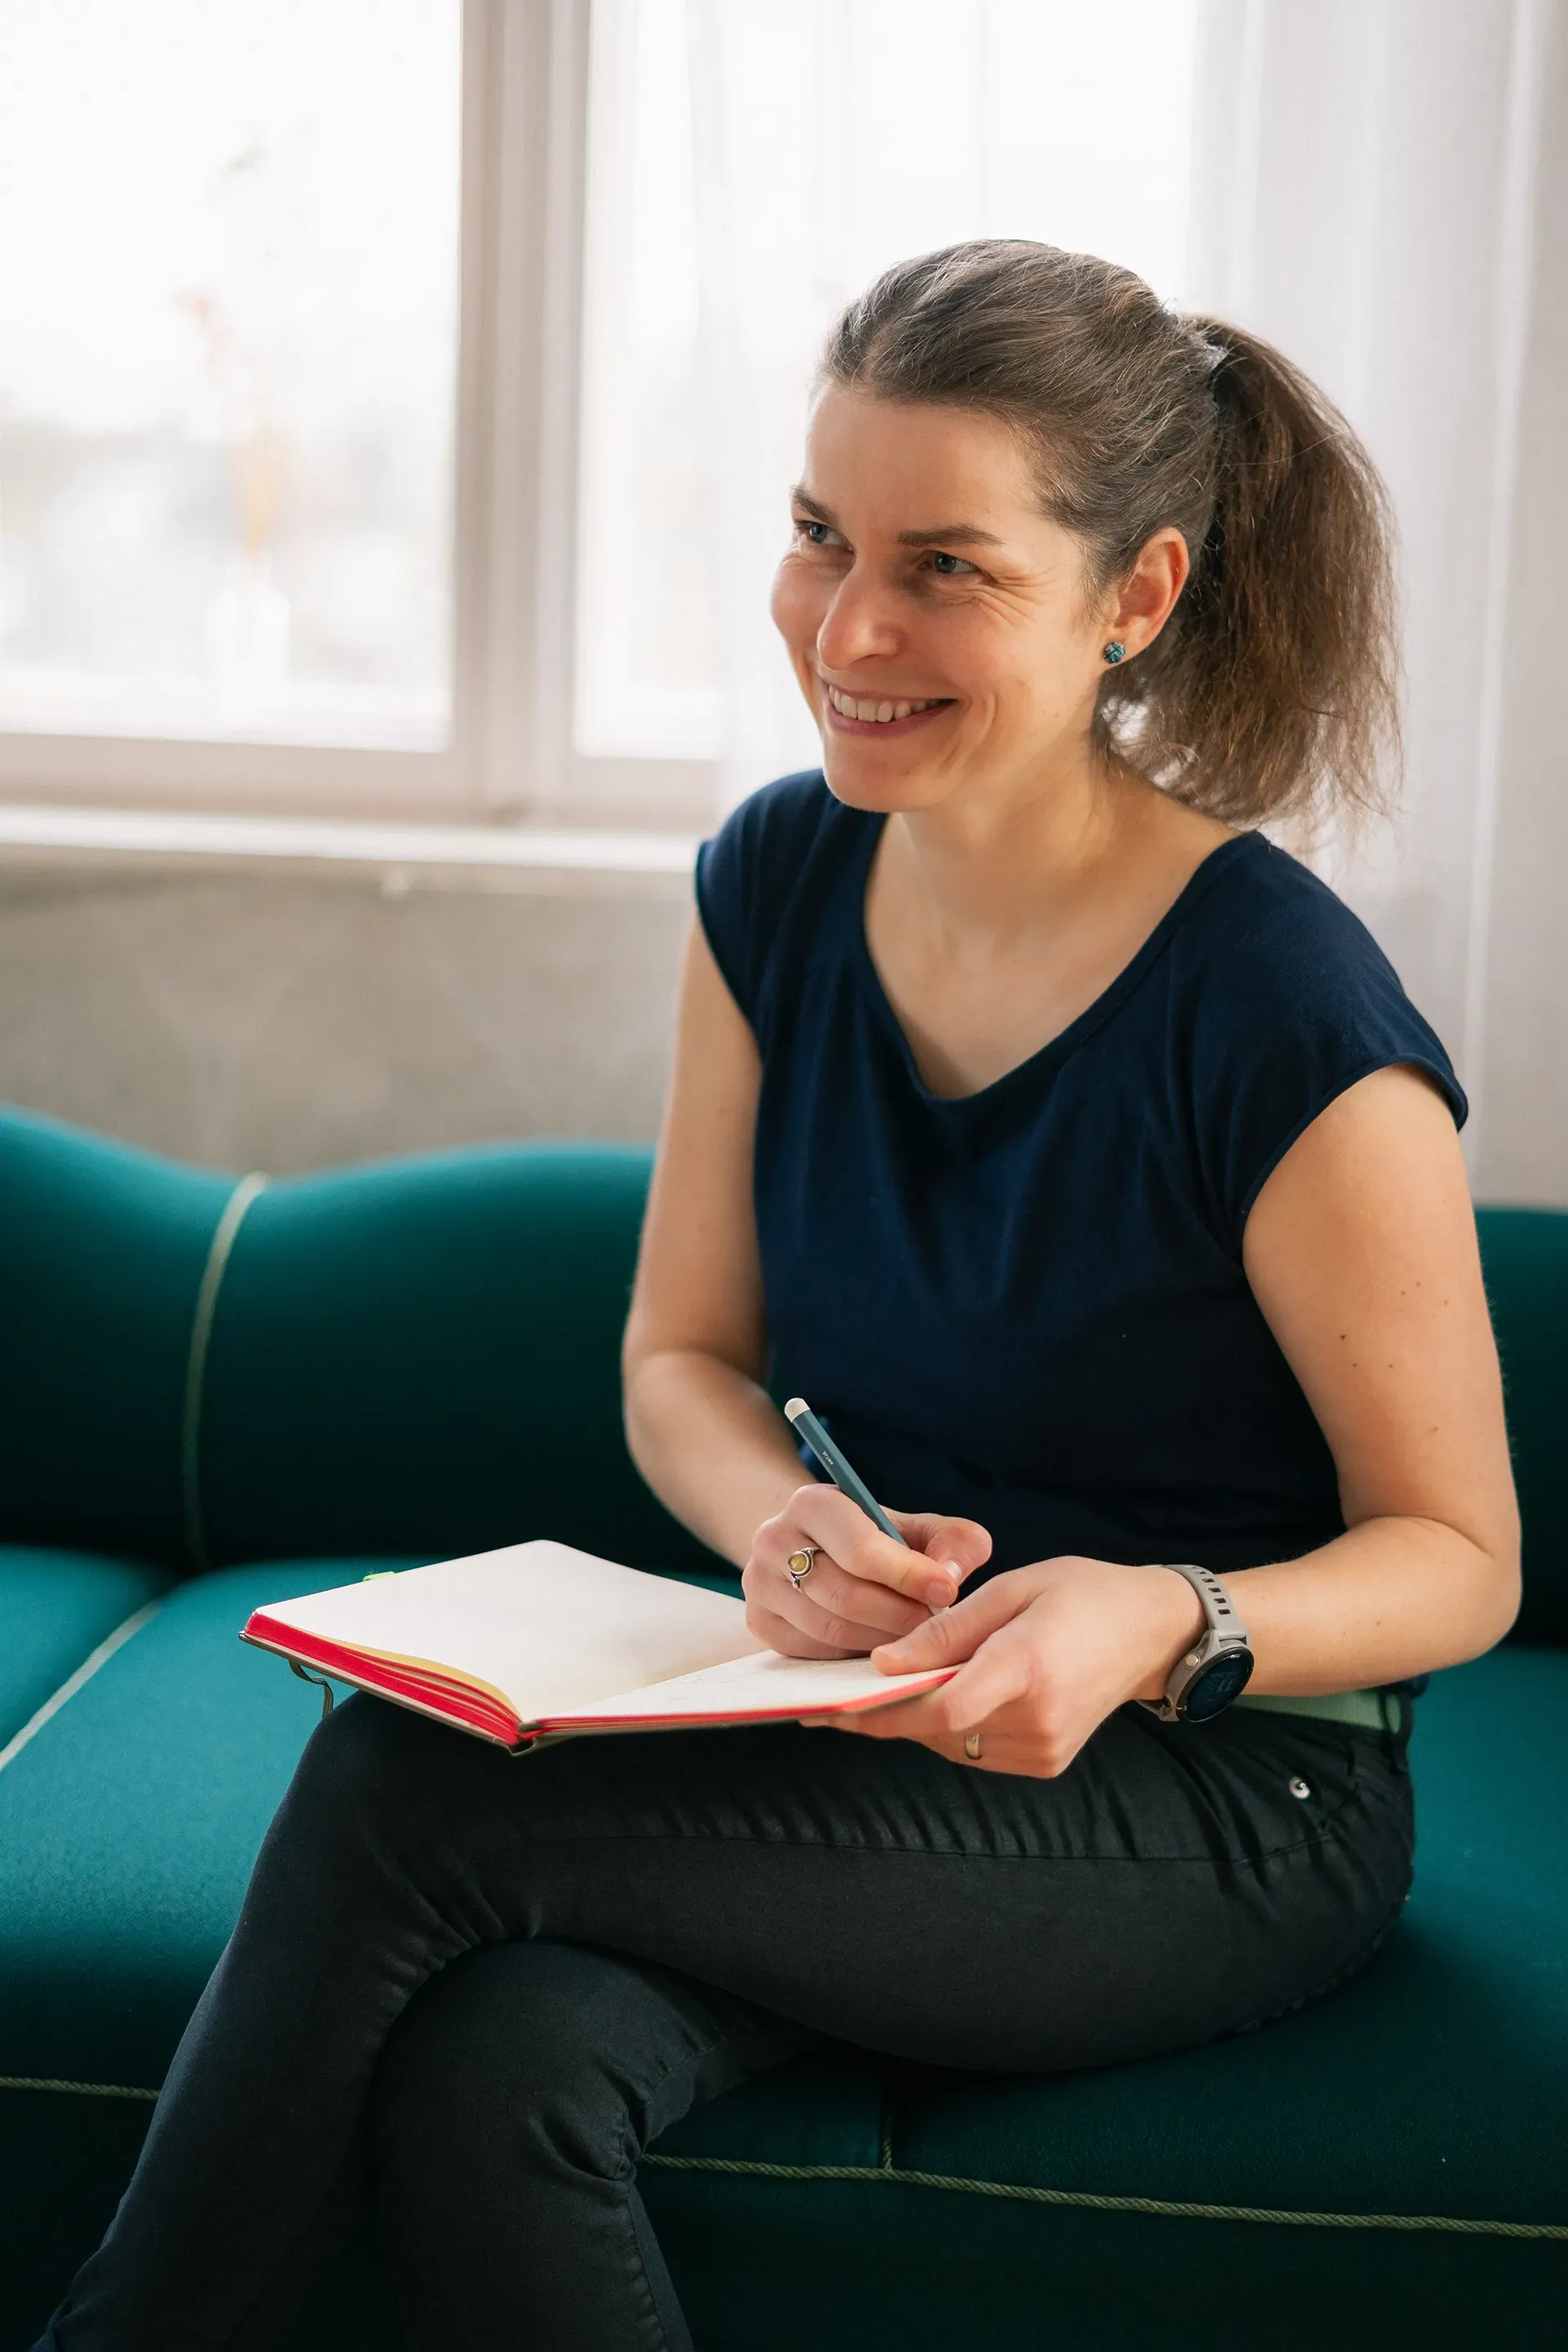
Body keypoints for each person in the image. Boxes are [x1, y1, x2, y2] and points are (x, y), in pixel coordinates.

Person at [38, 240, 1519, 2350]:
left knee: (409, 1780)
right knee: (507, 2069)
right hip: (863, 1729)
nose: (848, 628)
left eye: (945, 567)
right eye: (821, 535)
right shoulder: (778, 881)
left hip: (1222, 1800)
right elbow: (682, 1361)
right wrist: (774, 1531)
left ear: (1141, 597)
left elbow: (1461, 1559)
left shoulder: (1282, 1011)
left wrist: (1162, 1615)